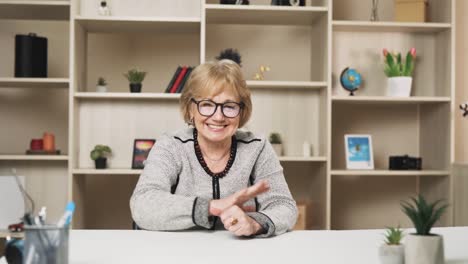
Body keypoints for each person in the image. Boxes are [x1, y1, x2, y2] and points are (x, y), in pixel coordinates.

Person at [130, 60, 297, 237]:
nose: (218, 116)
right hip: (179, 252)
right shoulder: (171, 145)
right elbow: (143, 204)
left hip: (241, 252)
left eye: (229, 106)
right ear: (190, 109)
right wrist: (210, 207)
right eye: (207, 105)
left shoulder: (257, 147)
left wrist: (254, 223)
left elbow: (284, 205)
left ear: (241, 111)